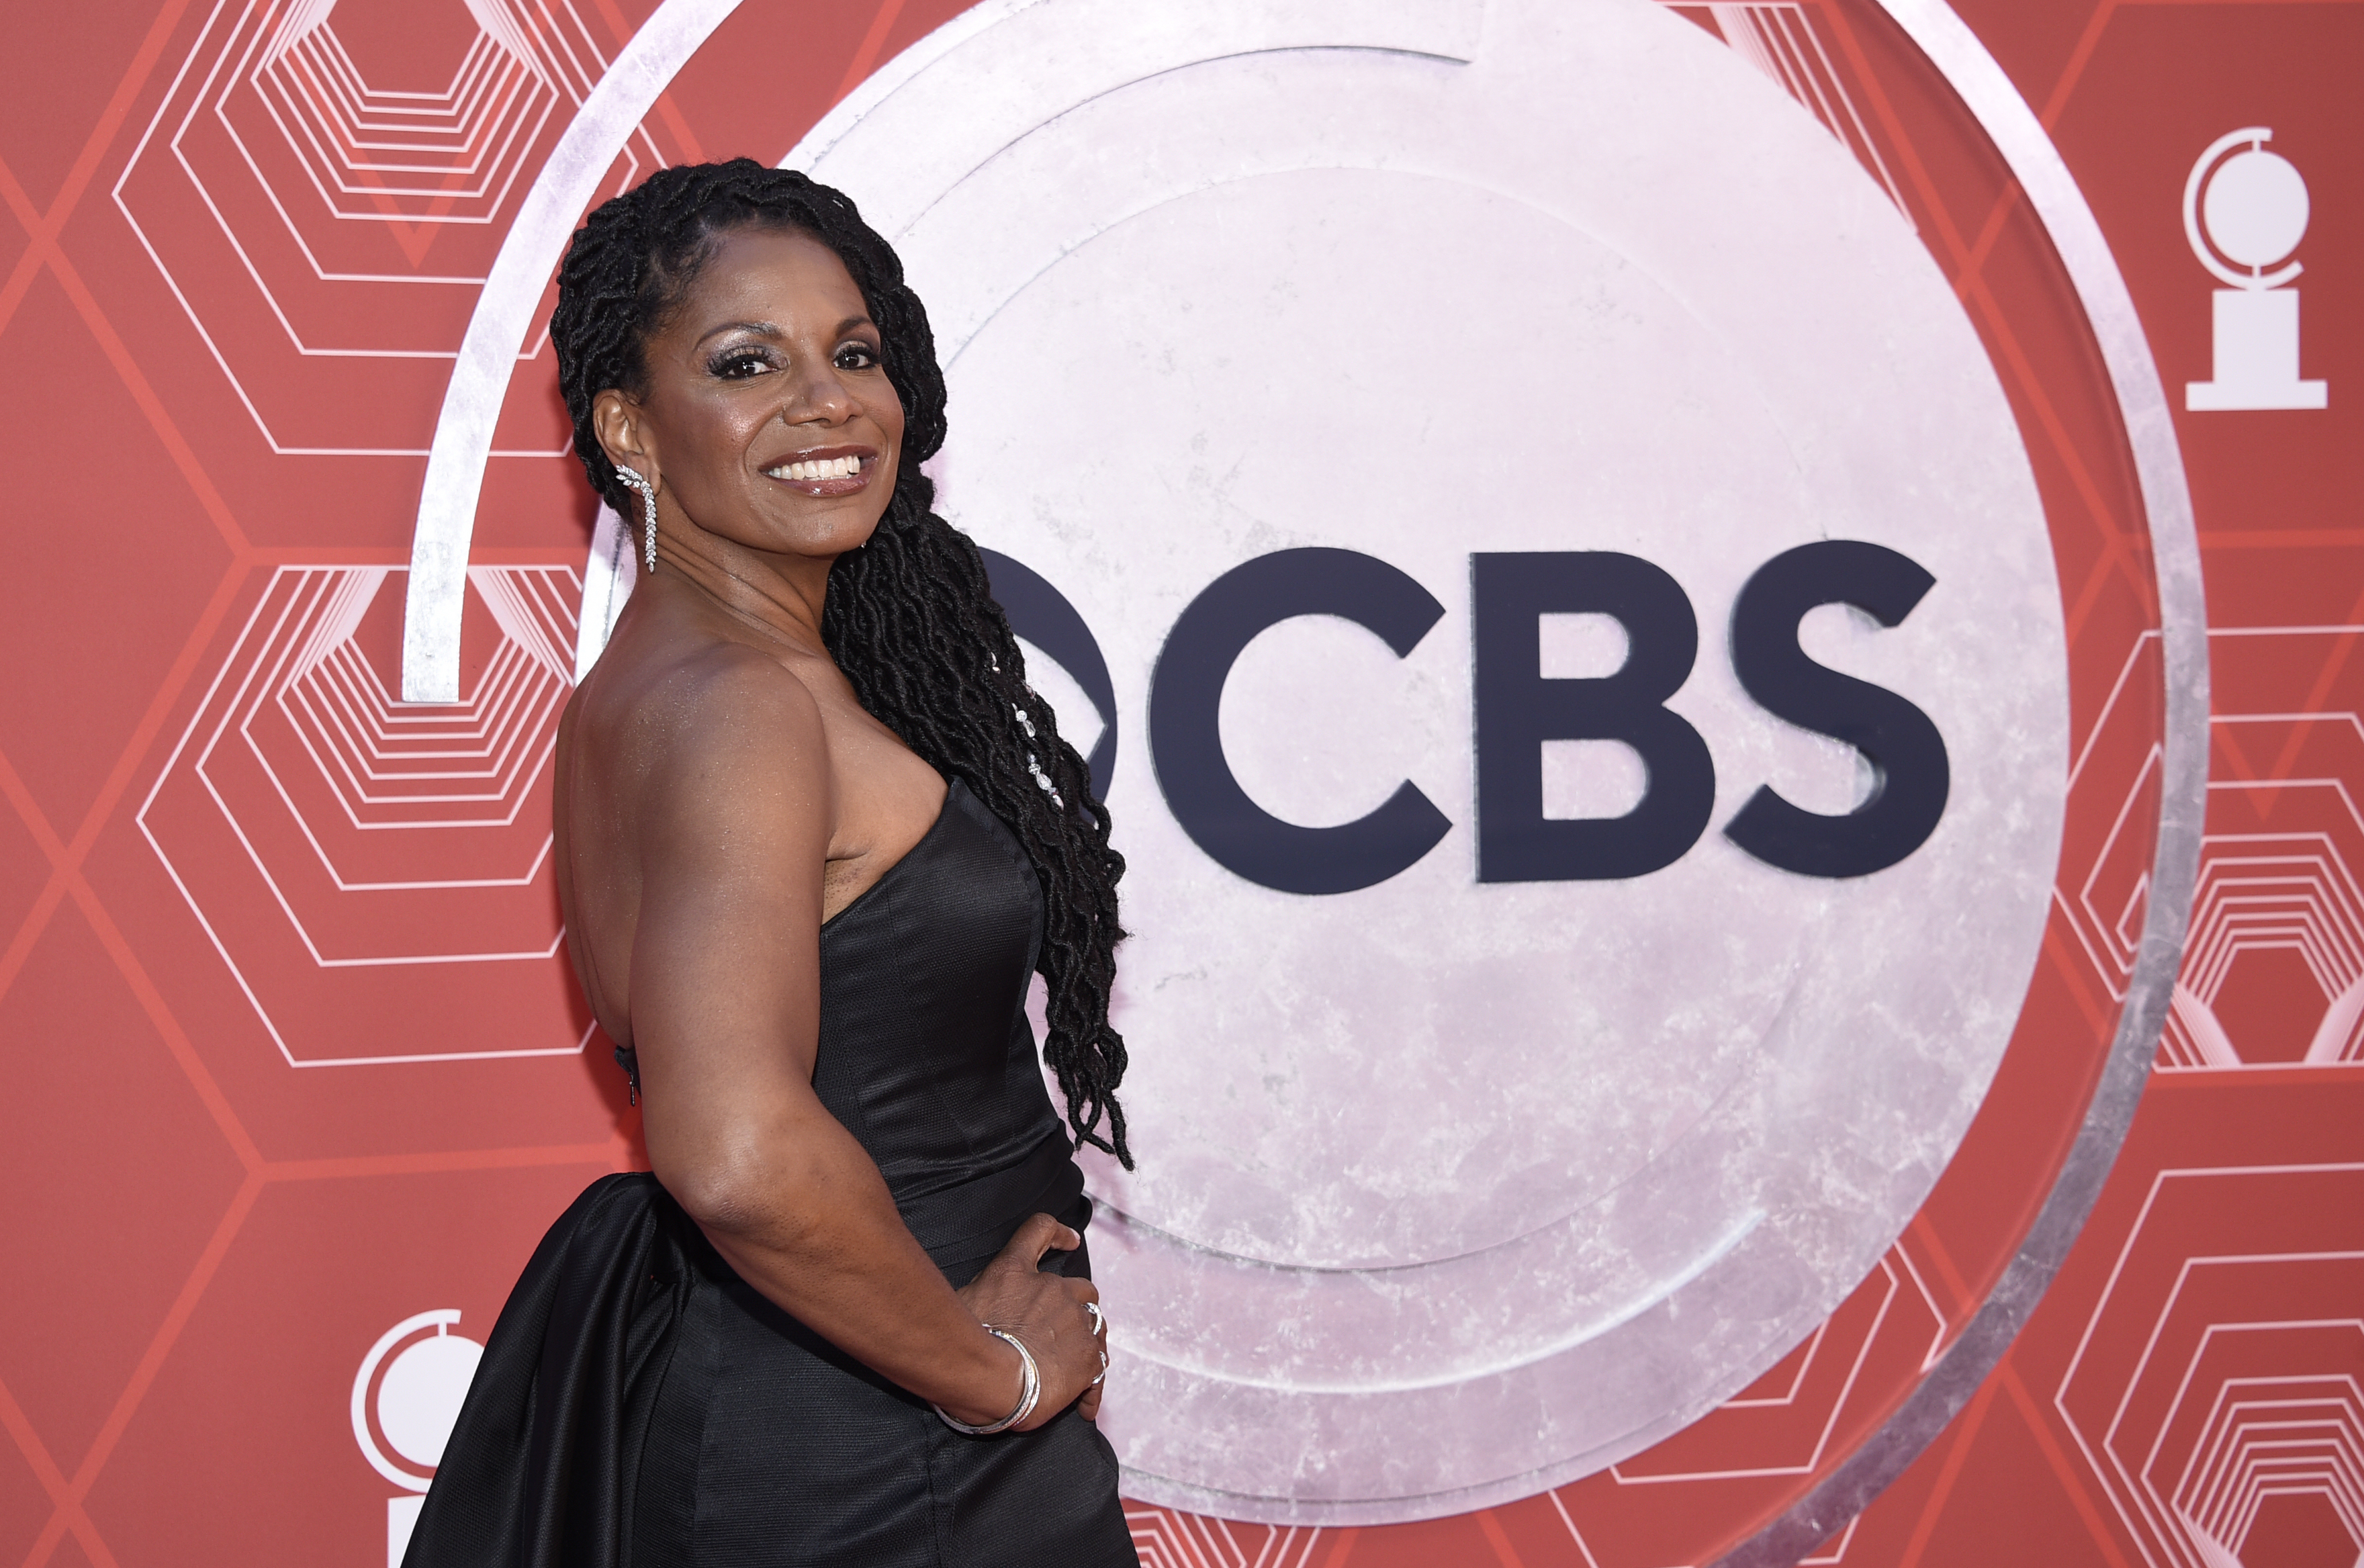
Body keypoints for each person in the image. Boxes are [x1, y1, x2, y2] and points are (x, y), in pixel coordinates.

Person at [404, 160, 1140, 1568]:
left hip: (823, 1402)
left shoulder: (673, 679)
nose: (828, 402)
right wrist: (995, 1379)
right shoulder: (742, 708)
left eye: (852, 354)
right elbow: (734, 1152)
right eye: (748, 363)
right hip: (891, 1452)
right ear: (628, 424)